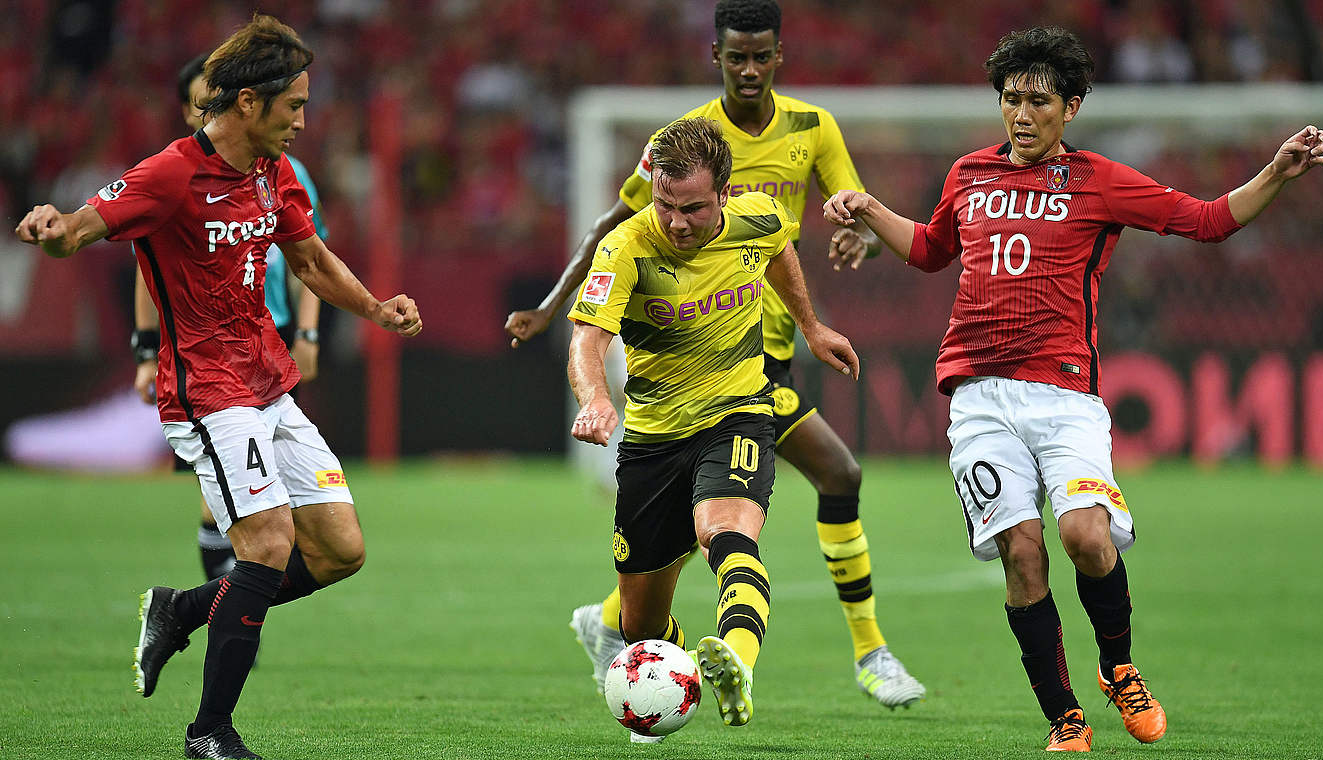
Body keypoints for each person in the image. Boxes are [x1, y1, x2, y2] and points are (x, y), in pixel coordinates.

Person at [823, 26, 1323, 753]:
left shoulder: (1101, 180)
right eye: (1010, 99)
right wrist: (869, 210)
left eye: (1038, 101)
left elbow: (1209, 222)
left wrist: (1276, 171)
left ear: (1072, 106)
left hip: (1065, 400)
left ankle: (1118, 665)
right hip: (980, 400)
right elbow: (933, 251)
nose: (1021, 115)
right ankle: (1064, 716)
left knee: (1085, 536)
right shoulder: (968, 173)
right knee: (1022, 553)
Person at [15, 15, 422, 760]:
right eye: (293, 105)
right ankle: (209, 732)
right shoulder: (170, 172)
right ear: (246, 103)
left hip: (270, 383)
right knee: (266, 545)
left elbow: (310, 260)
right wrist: (53, 225)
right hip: (208, 393)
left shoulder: (272, 173)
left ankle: (181, 609)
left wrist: (375, 307)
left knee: (339, 552)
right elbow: (83, 227)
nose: (303, 120)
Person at [506, 0, 926, 710]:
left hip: (751, 383)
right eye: (738, 56)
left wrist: (820, 311)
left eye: (763, 55)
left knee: (756, 516)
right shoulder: (668, 167)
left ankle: (825, 654)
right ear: (718, 57)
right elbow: (601, 288)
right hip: (659, 417)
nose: (751, 69)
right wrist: (582, 365)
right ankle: (619, 627)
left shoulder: (803, 141)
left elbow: (803, 230)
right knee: (646, 612)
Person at [568, 116, 858, 738]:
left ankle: (738, 665)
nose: (675, 222)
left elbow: (779, 249)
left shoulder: (756, 215)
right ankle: (654, 661)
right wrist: (594, 398)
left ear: (725, 193)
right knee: (642, 624)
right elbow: (587, 340)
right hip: (650, 438)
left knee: (724, 530)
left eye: (693, 209)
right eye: (665, 204)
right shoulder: (627, 246)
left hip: (739, 411)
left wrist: (810, 326)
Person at [131, 52, 328, 584]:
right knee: (225, 498)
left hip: (269, 338)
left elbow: (312, 259)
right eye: (199, 102)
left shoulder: (285, 168)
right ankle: (227, 610)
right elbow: (147, 271)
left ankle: (220, 608)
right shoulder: (171, 176)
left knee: (274, 503)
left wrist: (307, 332)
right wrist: (149, 351)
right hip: (201, 350)